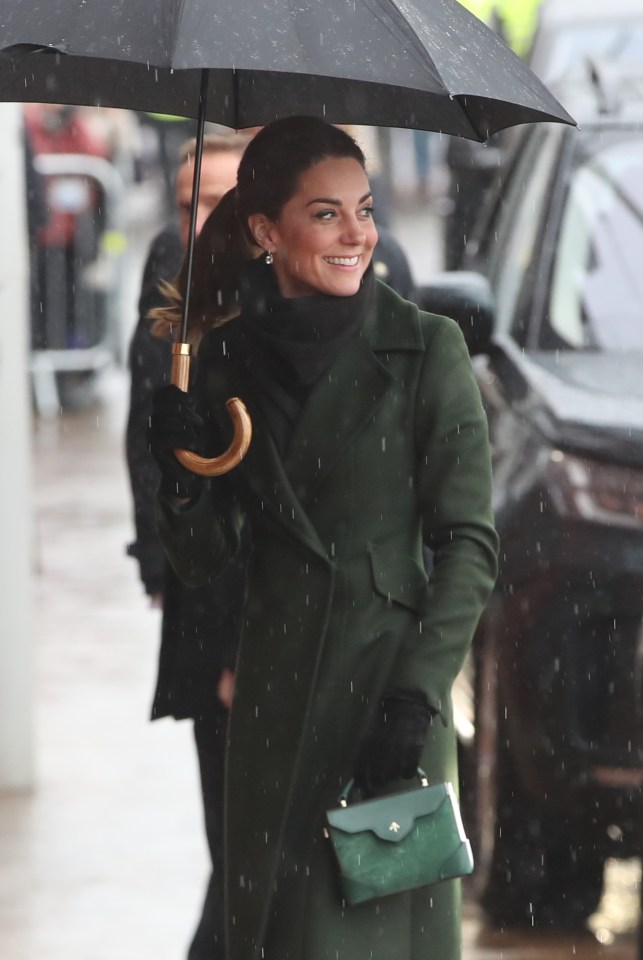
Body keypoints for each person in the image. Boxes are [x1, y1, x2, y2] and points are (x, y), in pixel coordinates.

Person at [149, 116, 499, 960]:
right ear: (266, 231)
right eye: (327, 213)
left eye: (364, 209)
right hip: (271, 708)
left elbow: (467, 544)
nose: (358, 234)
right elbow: (204, 557)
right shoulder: (224, 356)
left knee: (368, 939)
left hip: (385, 701)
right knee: (271, 935)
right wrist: (180, 467)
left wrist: (416, 695)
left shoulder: (425, 349)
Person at [126, 131, 250, 960]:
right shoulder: (175, 275)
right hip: (208, 602)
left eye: (216, 202)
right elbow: (146, 433)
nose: (195, 220)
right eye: (185, 203)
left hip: (293, 629)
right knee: (232, 839)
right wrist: (156, 549)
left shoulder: (311, 305)